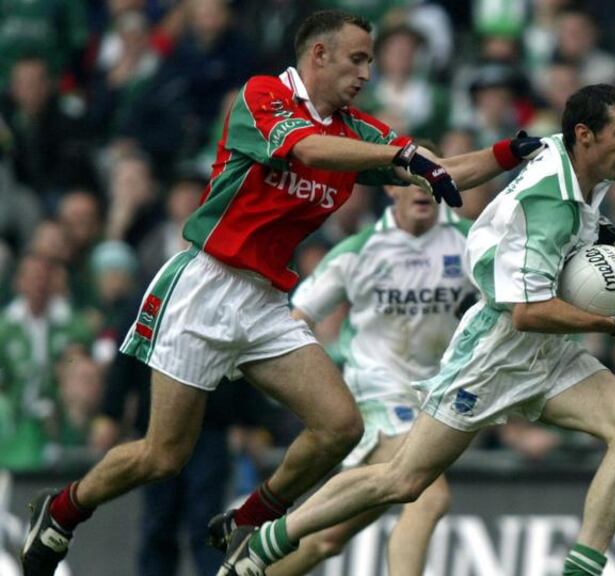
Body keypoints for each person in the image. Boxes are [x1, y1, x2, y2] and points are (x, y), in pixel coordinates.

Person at [20, 10, 542, 575]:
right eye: (357, 59)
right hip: (205, 288)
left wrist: (510, 154)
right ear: (318, 55)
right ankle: (63, 511)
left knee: (340, 427)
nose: (365, 72)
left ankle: (250, 516)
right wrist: (402, 157)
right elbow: (309, 152)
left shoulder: (358, 131)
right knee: (163, 455)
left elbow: (439, 170)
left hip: (266, 301)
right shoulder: (263, 95)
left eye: (370, 61)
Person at [218, 84, 615, 576]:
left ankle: (581, 571)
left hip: (546, 352)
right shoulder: (547, 204)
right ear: (585, 134)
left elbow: (467, 184)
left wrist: (592, 235)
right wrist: (612, 321)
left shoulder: (573, 159)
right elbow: (527, 313)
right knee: (406, 483)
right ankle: (268, 541)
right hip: (493, 353)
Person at [268, 183, 475, 575]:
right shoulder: (358, 251)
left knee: (325, 539)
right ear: (391, 187)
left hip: (433, 400)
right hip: (375, 389)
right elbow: (296, 320)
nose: (425, 188)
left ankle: (244, 568)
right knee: (428, 496)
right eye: (415, 179)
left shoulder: (470, 242)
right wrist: (308, 391)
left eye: (436, 179)